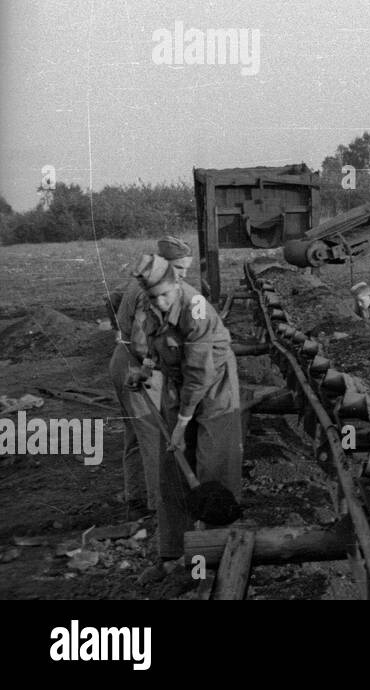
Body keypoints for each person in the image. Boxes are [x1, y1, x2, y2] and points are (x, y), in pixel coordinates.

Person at [138, 259, 242, 561]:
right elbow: (155, 345)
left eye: (165, 294)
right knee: (171, 467)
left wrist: (182, 426)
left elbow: (199, 373)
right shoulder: (150, 304)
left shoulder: (195, 308)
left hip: (213, 385)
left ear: (176, 284)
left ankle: (215, 552)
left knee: (213, 465)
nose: (160, 301)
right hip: (178, 382)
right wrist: (145, 370)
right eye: (153, 295)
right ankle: (173, 553)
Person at [103, 238, 200, 517]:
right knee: (155, 438)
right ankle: (161, 509)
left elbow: (111, 300)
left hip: (120, 361)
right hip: (138, 365)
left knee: (135, 435)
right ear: (164, 264)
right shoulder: (153, 291)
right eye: (180, 268)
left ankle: (135, 498)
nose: (183, 275)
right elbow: (142, 342)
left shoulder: (140, 281)